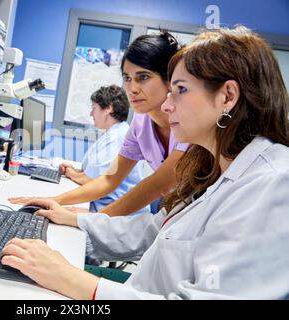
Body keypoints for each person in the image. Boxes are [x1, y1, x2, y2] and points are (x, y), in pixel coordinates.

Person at [1, 26, 289, 299]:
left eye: (181, 90)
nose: (167, 104)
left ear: (227, 96)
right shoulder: (214, 171)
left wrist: (75, 281)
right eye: (127, 78)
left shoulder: (273, 183)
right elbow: (153, 230)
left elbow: (153, 188)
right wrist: (76, 218)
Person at [10, 31, 189, 216]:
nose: (132, 89)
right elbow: (110, 179)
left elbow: (158, 185)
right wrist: (54, 201)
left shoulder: (188, 123)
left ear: (170, 80)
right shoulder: (141, 122)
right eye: (127, 78)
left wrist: (89, 218)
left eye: (143, 77)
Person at [59, 85, 148, 213]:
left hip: (119, 217)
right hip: (105, 206)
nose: (91, 114)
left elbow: (92, 180)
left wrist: (69, 172)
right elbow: (94, 173)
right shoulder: (115, 132)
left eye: (94, 108)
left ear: (108, 108)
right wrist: (76, 172)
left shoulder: (117, 137)